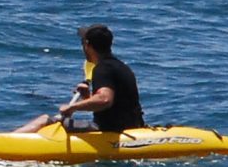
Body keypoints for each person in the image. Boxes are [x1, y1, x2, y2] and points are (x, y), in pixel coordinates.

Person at [14, 23, 144, 134]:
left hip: (110, 131)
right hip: (132, 127)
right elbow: (111, 104)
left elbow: (105, 99)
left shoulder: (102, 68)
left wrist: (73, 107)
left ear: (87, 44)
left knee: (45, 120)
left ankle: (6, 141)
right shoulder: (120, 66)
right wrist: (88, 97)